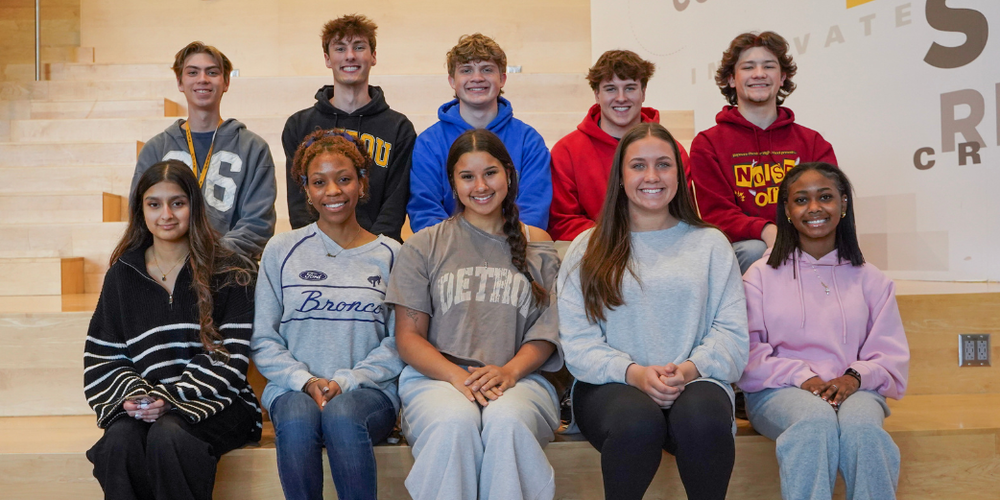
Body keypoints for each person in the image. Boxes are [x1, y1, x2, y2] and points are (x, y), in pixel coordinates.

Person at [558, 122, 748, 500]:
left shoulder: (710, 244)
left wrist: (689, 370)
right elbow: (578, 342)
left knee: (704, 421)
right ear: (621, 175)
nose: (651, 176)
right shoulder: (588, 247)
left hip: (695, 379)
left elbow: (731, 334)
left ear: (680, 173)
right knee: (637, 424)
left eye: (663, 164)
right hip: (609, 385)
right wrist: (634, 373)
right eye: (638, 166)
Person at [386, 129, 563, 500]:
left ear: (509, 175)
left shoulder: (539, 243)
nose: (480, 186)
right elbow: (408, 337)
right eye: (467, 176)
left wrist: (509, 372)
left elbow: (546, 333)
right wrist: (457, 377)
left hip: (522, 379)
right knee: (454, 422)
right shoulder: (424, 245)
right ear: (452, 182)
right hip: (437, 379)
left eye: (491, 173)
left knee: (507, 422)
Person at [85, 160, 262, 500]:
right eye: (154, 204)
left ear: (193, 207)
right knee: (118, 443)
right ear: (141, 210)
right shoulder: (122, 275)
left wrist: (170, 398)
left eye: (177, 203)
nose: (166, 214)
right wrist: (134, 397)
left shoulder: (230, 269)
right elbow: (104, 355)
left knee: (169, 436)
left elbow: (229, 355)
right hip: (148, 402)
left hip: (222, 403)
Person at [738, 162, 909, 500]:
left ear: (843, 205)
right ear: (786, 210)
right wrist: (802, 377)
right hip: (779, 390)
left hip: (854, 390)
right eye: (801, 200)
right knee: (814, 423)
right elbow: (748, 353)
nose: (814, 208)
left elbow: (889, 355)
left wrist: (853, 377)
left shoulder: (871, 278)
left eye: (826, 197)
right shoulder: (759, 275)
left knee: (864, 432)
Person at [251, 130, 404, 500]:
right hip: (292, 388)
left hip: (369, 391)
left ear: (362, 183)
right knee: (299, 423)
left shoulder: (391, 254)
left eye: (344, 179)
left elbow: (400, 340)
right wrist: (304, 381)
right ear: (306, 189)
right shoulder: (282, 250)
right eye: (320, 182)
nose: (333, 191)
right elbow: (263, 337)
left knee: (342, 416)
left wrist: (348, 381)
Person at [688, 31, 837, 273]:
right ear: (731, 79)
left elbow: (830, 203)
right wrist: (766, 230)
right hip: (747, 248)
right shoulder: (708, 143)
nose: (759, 74)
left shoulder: (813, 142)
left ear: (782, 78)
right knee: (756, 250)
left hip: (805, 241)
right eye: (748, 67)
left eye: (769, 66)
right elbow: (717, 215)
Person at [131, 41, 277, 259]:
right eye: (192, 72)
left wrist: (206, 259)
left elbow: (258, 225)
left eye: (212, 72)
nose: (202, 79)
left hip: (229, 271)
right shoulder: (155, 149)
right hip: (168, 269)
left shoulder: (253, 148)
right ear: (180, 82)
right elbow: (140, 216)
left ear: (226, 82)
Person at [283, 15, 416, 242]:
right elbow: (299, 203)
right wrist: (319, 248)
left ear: (373, 56)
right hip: (317, 250)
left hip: (378, 250)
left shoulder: (399, 128)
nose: (350, 56)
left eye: (359, 47)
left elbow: (394, 206)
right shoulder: (299, 125)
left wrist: (370, 250)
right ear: (327, 58)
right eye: (340, 48)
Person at [407, 33, 552, 233]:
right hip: (450, 253)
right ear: (452, 80)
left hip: (515, 251)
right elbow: (425, 210)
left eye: (487, 69)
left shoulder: (529, 141)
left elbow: (534, 210)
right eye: (466, 70)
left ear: (502, 79)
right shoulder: (429, 143)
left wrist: (500, 246)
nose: (477, 78)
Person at [548, 49, 691, 241]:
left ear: (643, 93)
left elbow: (683, 214)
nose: (621, 97)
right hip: (595, 251)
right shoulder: (567, 151)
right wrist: (618, 239)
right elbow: (563, 222)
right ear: (597, 94)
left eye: (630, 88)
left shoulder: (672, 152)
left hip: (661, 246)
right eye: (610, 89)